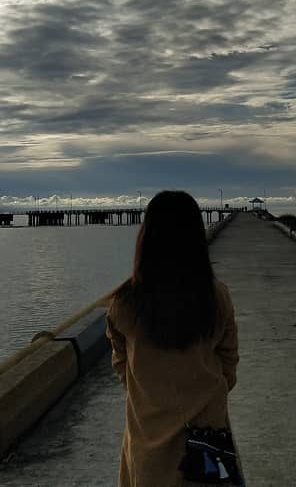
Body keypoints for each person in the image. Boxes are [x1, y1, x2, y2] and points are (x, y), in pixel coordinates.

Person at [105, 190, 241, 487]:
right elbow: (229, 363)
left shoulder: (125, 303)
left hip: (148, 444)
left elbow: (121, 362)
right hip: (206, 443)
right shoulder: (216, 297)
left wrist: (146, 391)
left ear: (146, 238)